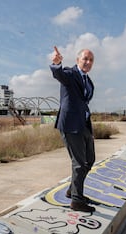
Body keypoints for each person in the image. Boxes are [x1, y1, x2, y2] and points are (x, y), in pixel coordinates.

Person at [49, 46, 96, 213]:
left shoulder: (89, 82)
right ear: (78, 60)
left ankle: (72, 191)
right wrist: (56, 64)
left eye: (91, 60)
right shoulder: (70, 73)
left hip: (83, 125)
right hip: (70, 124)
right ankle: (77, 200)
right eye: (85, 59)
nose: (88, 62)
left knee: (89, 160)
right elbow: (58, 74)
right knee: (79, 163)